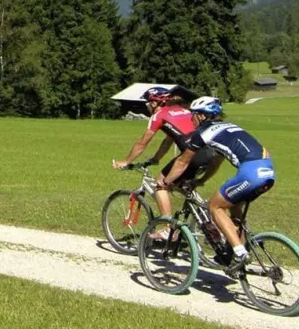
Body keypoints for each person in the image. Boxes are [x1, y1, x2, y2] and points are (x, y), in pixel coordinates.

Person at [166, 96, 276, 276]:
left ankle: (240, 253)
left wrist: (166, 182)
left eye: (193, 115)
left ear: (202, 116)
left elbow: (182, 161)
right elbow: (217, 161)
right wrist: (201, 181)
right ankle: (236, 250)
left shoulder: (204, 133)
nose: (191, 119)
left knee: (215, 206)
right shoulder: (230, 127)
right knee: (235, 209)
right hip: (268, 171)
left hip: (250, 173)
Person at [112, 86, 217, 228]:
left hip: (193, 155)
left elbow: (142, 143)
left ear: (154, 103)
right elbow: (169, 140)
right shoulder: (183, 110)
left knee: (160, 184)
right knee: (179, 184)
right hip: (211, 152)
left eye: (148, 103)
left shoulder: (158, 115)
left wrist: (126, 161)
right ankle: (204, 213)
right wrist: (156, 158)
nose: (148, 106)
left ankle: (167, 228)